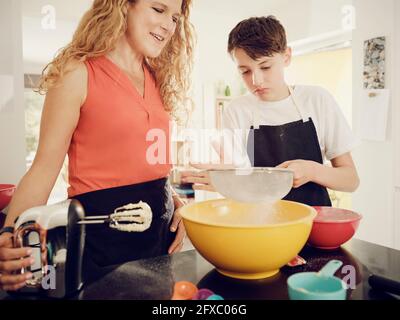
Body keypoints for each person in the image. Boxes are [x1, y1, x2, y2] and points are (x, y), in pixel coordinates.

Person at [0, 0, 194, 291]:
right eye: (158, 9)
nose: (169, 25)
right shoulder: (77, 73)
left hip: (159, 248)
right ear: (123, 6)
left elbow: (147, 162)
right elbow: (43, 168)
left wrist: (174, 200)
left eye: (176, 18)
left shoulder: (158, 79)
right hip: (101, 249)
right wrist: (7, 233)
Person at [182, 16, 359, 206]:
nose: (256, 80)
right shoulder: (237, 111)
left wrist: (311, 171)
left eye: (265, 67)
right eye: (245, 71)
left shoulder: (317, 100)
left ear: (286, 56)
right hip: (260, 226)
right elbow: (239, 184)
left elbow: (350, 180)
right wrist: (226, 182)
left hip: (313, 226)